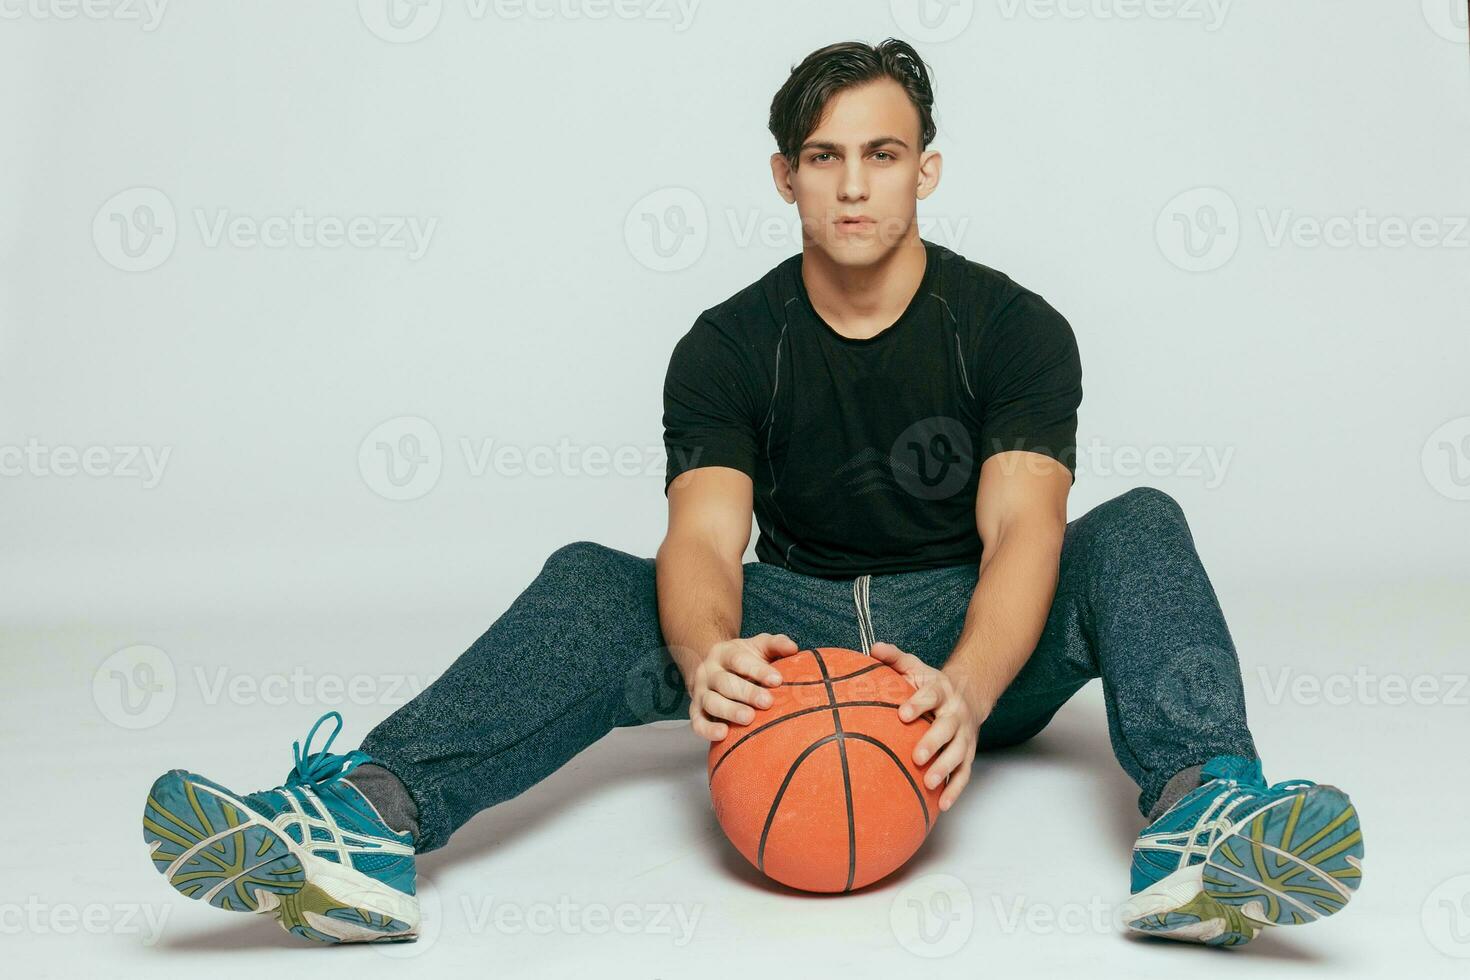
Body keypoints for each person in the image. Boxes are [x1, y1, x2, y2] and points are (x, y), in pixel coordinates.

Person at [140, 38, 1362, 948]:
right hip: (796, 631)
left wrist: (972, 687)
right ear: (783, 177)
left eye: (882, 155)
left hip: (972, 627)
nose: (853, 186)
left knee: (1138, 523)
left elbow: (1026, 532)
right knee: (590, 576)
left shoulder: (1015, 328)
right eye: (824, 157)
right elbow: (704, 537)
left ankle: (1205, 821)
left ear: (926, 168)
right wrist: (707, 648)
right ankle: (364, 819)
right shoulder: (726, 343)